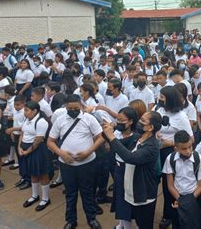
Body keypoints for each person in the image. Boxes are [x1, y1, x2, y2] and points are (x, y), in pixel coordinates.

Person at [47, 94, 104, 229]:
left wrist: (88, 152)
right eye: (70, 108)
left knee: (87, 191)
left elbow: (100, 138)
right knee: (70, 193)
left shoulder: (89, 119)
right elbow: (50, 141)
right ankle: (71, 220)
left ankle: (91, 218)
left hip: (87, 162)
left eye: (76, 108)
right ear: (66, 107)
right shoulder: (60, 120)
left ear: (81, 106)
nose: (73, 110)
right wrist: (61, 153)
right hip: (67, 164)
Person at [102, 111, 164, 229]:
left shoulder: (152, 147)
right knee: (129, 216)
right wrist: (107, 129)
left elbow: (130, 158)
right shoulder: (137, 138)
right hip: (131, 190)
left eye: (143, 121)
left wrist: (111, 136)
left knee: (144, 224)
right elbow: (116, 144)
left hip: (143, 194)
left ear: (150, 128)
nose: (139, 123)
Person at [156, 86, 193, 229]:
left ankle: (169, 214)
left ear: (170, 99)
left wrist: (169, 143)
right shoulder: (159, 111)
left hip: (170, 152)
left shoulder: (181, 116)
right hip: (157, 152)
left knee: (168, 187)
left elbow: (190, 139)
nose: (160, 100)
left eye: (163, 98)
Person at [163, 130, 201, 228]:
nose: (188, 151)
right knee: (178, 223)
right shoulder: (170, 159)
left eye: (190, 147)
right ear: (176, 149)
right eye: (184, 149)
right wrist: (180, 200)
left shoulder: (199, 159)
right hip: (178, 197)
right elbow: (170, 185)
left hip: (195, 198)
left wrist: (186, 202)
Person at [18, 101, 52, 212]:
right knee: (32, 173)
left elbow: (38, 140)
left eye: (26, 110)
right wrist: (19, 147)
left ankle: (45, 198)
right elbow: (22, 133)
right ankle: (35, 195)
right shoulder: (27, 119)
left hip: (37, 151)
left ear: (35, 111)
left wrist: (27, 151)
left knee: (43, 173)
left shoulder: (41, 122)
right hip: (25, 149)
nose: (24, 113)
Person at [110, 107, 138, 229]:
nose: (119, 122)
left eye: (122, 120)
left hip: (131, 170)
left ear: (131, 121)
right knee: (120, 199)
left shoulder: (136, 136)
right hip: (119, 168)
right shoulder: (115, 133)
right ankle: (122, 224)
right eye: (118, 119)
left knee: (127, 201)